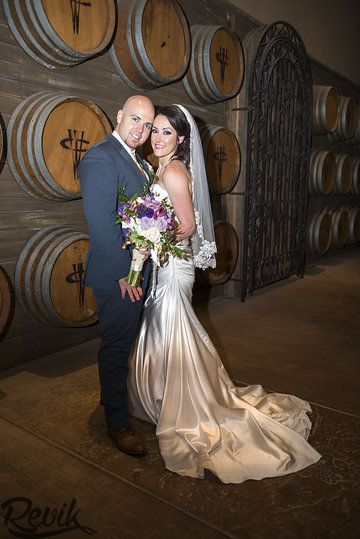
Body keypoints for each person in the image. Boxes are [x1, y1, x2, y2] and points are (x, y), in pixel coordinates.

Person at [128, 104, 322, 483]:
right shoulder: (161, 168)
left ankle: (186, 406)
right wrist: (147, 237)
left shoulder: (174, 172)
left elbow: (186, 225)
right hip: (165, 263)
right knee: (161, 330)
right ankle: (160, 396)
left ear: (181, 139)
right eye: (157, 130)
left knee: (171, 330)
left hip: (174, 266)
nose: (158, 137)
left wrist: (150, 237)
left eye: (168, 132)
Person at [78, 95, 155, 456]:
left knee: (124, 345)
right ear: (120, 115)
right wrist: (126, 275)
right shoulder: (100, 156)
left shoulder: (138, 161)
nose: (140, 130)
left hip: (137, 269)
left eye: (148, 125)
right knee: (115, 347)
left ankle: (116, 403)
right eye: (135, 120)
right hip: (119, 275)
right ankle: (117, 424)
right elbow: (102, 223)